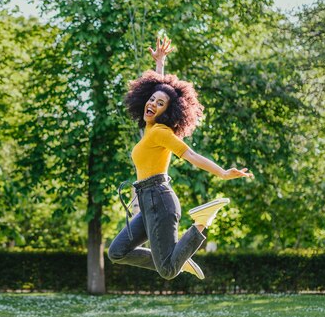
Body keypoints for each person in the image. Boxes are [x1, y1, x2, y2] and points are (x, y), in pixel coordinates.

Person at [108, 37, 253, 280]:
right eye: (151, 99)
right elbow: (160, 88)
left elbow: (192, 155)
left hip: (159, 199)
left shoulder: (162, 133)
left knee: (167, 271)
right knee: (117, 252)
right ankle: (179, 256)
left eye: (160, 103)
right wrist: (160, 64)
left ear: (169, 112)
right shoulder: (149, 131)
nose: (153, 103)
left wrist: (223, 173)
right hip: (146, 202)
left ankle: (201, 223)